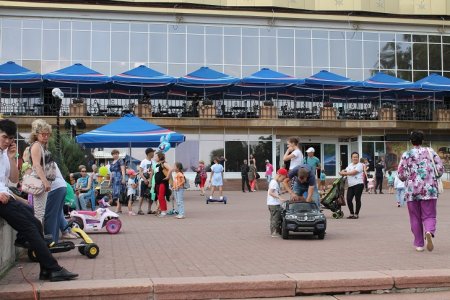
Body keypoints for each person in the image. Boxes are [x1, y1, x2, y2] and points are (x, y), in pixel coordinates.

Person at [0, 119, 78, 282]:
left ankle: (45, 270)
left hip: (6, 196)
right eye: (4, 137)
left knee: (35, 222)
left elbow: (13, 179)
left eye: (10, 139)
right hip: (2, 199)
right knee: (31, 225)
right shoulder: (36, 147)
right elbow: (36, 166)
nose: (7, 142)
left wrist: (11, 157)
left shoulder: (4, 154)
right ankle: (53, 269)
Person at [397, 130, 444, 252]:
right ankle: (429, 231)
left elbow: (401, 174)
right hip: (429, 190)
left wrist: (408, 178)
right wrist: (433, 176)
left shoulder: (406, 154)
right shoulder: (430, 152)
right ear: (422, 140)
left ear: (411, 141)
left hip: (412, 191)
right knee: (429, 215)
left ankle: (419, 244)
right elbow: (439, 169)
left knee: (415, 217)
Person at [29, 119, 54, 224]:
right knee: (39, 212)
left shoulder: (41, 145)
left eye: (48, 134)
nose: (46, 136)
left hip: (42, 181)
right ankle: (38, 237)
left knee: (40, 212)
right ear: (36, 134)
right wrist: (45, 181)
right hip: (40, 181)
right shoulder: (36, 146)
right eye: (43, 134)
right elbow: (36, 165)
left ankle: (39, 236)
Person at [339, 152, 364, 219]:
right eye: (353, 157)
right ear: (351, 158)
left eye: (356, 157)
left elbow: (353, 173)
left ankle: (356, 214)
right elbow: (346, 170)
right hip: (351, 185)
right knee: (349, 199)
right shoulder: (350, 165)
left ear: (358, 158)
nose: (355, 158)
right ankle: (351, 213)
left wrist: (344, 173)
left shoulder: (360, 165)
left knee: (357, 199)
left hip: (358, 184)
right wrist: (343, 171)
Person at [267, 168, 288, 238]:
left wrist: (283, 192)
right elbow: (271, 192)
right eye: (283, 178)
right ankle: (274, 233)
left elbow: (275, 192)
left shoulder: (274, 182)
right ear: (280, 175)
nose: (282, 180)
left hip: (272, 203)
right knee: (275, 218)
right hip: (274, 204)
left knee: (274, 218)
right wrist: (279, 198)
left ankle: (274, 231)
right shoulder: (274, 182)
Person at [137, 148, 155, 215]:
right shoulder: (143, 161)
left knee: (151, 195)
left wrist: (150, 180)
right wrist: (144, 179)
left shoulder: (153, 162)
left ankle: (149, 209)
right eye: (152, 152)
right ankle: (139, 209)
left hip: (150, 181)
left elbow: (153, 172)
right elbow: (140, 172)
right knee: (142, 195)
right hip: (143, 181)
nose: (153, 154)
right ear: (149, 153)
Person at [154, 151, 171, 217]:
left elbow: (170, 168)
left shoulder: (164, 164)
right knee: (159, 197)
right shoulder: (157, 164)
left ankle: (163, 211)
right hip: (157, 183)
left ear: (159, 157)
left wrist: (168, 176)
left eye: (156, 156)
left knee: (161, 197)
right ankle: (161, 210)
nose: (155, 158)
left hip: (162, 183)